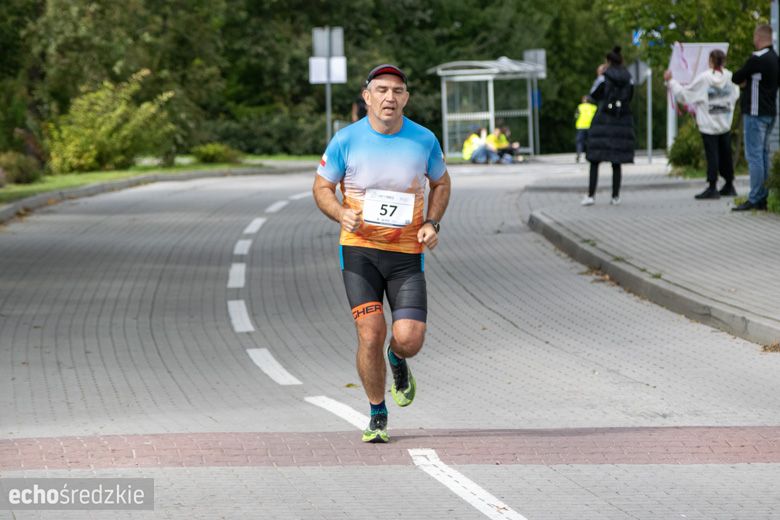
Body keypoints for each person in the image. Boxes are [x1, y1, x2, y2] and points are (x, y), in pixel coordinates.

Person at [313, 64, 452, 443]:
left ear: (406, 98)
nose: (390, 97)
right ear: (367, 96)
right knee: (371, 333)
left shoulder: (423, 140)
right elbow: (321, 187)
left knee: (409, 339)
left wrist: (432, 223)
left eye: (397, 91)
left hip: (406, 255)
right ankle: (377, 412)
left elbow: (441, 183)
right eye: (382, 90)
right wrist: (340, 213)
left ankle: (398, 358)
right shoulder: (346, 140)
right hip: (359, 251)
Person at [665, 50, 740, 200]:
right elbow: (735, 94)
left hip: (708, 124)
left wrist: (671, 82)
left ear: (710, 61)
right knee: (726, 155)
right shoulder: (730, 76)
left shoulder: (705, 78)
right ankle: (729, 184)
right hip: (725, 123)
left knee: (712, 156)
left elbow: (685, 95)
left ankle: (712, 187)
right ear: (724, 61)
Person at [731, 24, 779, 211]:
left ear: (758, 37)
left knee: (754, 156)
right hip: (770, 113)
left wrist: (746, 82)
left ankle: (755, 197)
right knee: (764, 155)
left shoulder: (757, 59)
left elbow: (736, 77)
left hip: (755, 113)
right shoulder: (775, 58)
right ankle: (763, 196)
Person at [582, 47, 635, 206]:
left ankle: (591, 196)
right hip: (621, 121)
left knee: (595, 159)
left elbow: (593, 95)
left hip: (603, 121)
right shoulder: (629, 77)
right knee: (616, 161)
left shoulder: (604, 77)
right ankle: (615, 196)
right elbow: (630, 97)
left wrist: (600, 75)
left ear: (608, 61)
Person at [574, 96, 597, 163]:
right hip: (591, 127)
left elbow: (576, 116)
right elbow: (597, 117)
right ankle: (589, 155)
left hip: (581, 126)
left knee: (579, 141)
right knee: (590, 142)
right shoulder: (593, 108)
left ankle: (579, 153)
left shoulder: (580, 107)